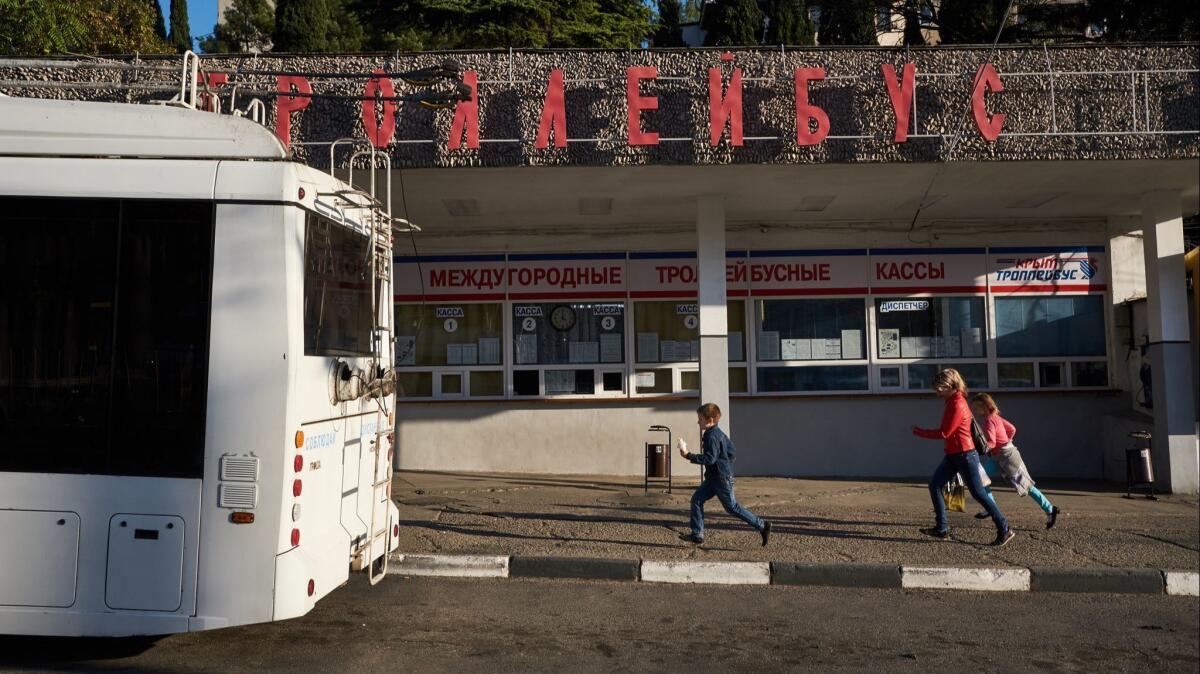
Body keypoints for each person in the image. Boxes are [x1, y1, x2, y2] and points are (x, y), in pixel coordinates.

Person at [911, 369, 1015, 546]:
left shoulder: (958, 404)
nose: (937, 393)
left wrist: (919, 431)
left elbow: (945, 432)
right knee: (935, 485)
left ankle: (1004, 528)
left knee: (979, 493)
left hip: (965, 455)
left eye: (939, 389)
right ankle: (941, 528)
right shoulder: (952, 401)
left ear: (949, 386)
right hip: (954, 454)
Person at [678, 402, 771, 547]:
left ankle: (762, 526)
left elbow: (710, 459)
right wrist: (725, 463)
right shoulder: (719, 433)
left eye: (700, 419)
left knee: (732, 507)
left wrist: (688, 455)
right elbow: (732, 451)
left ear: (710, 421)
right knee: (696, 500)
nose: (698, 422)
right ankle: (697, 534)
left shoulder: (711, 436)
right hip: (715, 478)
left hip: (720, 479)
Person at [970, 392, 1061, 529]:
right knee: (980, 478)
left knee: (1027, 486)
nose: (974, 411)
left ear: (984, 406)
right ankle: (990, 507)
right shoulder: (995, 417)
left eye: (976, 408)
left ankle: (1050, 509)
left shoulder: (990, 420)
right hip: (997, 456)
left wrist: (979, 449)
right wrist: (1007, 441)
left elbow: (992, 442)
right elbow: (1012, 429)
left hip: (1008, 457)